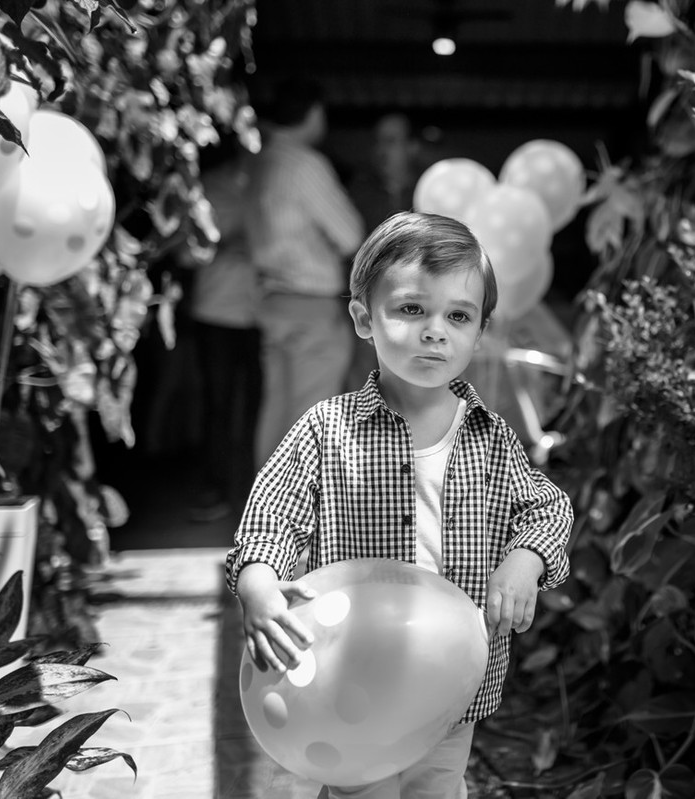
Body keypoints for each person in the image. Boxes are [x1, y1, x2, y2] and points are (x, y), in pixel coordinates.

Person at [224, 211, 573, 799]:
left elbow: (546, 506)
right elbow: (273, 515)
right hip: (352, 678)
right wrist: (259, 581)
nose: (435, 331)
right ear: (364, 319)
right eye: (412, 309)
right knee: (364, 791)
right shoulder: (326, 430)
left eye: (457, 316)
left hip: (450, 681)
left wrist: (527, 560)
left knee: (438, 784)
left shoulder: (490, 438)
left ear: (479, 333)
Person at [244, 77, 364, 468]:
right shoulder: (304, 163)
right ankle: (300, 521)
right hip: (310, 302)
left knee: (277, 409)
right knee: (311, 417)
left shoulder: (260, 160)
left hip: (270, 297)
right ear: (314, 114)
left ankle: (268, 513)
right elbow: (350, 235)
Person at [186, 148, 262, 522]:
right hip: (216, 312)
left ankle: (253, 495)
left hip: (262, 313)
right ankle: (214, 490)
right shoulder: (210, 188)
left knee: (257, 408)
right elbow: (184, 255)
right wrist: (223, 244)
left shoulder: (273, 184)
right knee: (218, 406)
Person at [345, 113, 424, 391]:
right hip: (368, 315)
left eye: (391, 141)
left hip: (421, 315)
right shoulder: (358, 192)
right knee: (363, 393)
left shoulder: (429, 192)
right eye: (378, 141)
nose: (381, 149)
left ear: (412, 147)